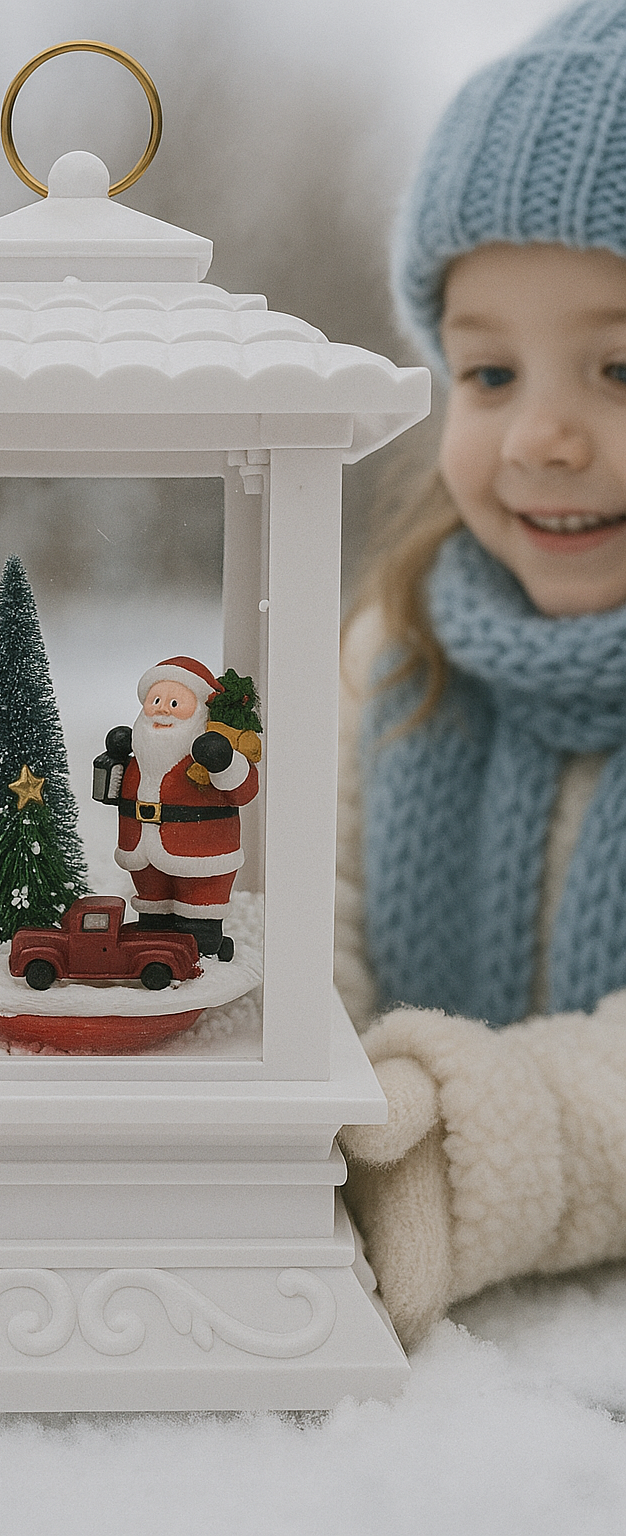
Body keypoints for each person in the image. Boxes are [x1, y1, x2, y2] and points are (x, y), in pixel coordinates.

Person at [338, 0, 626, 1348]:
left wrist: (447, 1151)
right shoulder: (405, 661)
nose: (543, 435)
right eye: (489, 370)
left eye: (620, 366)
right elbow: (313, 923)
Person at [96, 656, 259, 959]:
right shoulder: (141, 749)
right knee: (153, 920)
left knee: (199, 927)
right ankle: (154, 946)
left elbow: (244, 790)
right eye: (155, 700)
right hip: (143, 854)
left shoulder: (210, 750)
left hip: (202, 856)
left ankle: (203, 939)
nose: (160, 708)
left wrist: (223, 760)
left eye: (174, 703)